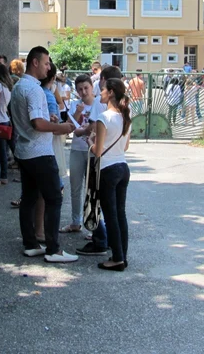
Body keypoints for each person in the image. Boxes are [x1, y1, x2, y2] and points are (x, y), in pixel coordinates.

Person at [11, 46, 77, 263]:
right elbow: (37, 124)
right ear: (35, 62)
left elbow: (33, 118)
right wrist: (62, 128)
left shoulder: (20, 86)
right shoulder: (35, 90)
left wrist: (49, 118)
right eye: (47, 63)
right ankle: (53, 249)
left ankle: (30, 244)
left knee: (29, 198)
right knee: (54, 198)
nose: (49, 68)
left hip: (24, 151)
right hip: (39, 152)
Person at [75, 64, 122, 256]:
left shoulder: (99, 104)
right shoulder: (122, 105)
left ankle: (100, 239)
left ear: (104, 81)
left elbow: (93, 127)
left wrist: (86, 136)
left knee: (94, 200)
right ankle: (114, 242)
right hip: (119, 160)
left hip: (100, 159)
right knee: (115, 206)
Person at [90, 78, 132, 271]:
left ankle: (117, 258)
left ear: (112, 92)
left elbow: (97, 151)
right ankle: (123, 254)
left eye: (103, 90)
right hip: (123, 167)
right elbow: (126, 146)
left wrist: (90, 143)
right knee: (120, 214)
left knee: (110, 216)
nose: (100, 93)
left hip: (108, 169)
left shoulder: (103, 118)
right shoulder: (126, 117)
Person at [60, 74, 105, 234]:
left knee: (92, 187)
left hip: (93, 150)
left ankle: (95, 227)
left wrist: (85, 130)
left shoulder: (100, 103)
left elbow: (98, 128)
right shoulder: (75, 105)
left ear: (92, 87)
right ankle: (75, 221)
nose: (84, 92)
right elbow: (71, 128)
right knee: (75, 186)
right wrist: (78, 115)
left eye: (86, 88)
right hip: (77, 149)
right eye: (80, 89)